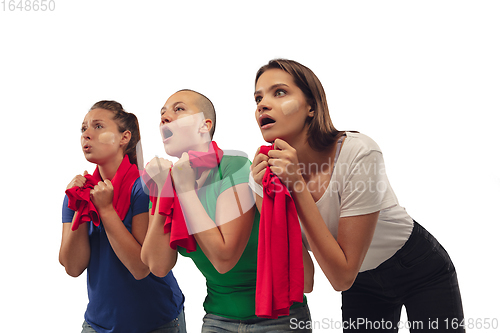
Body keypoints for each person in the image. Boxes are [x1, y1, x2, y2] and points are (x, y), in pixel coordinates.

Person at [249, 59, 465, 332]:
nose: (262, 104)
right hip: (361, 282)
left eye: (279, 92)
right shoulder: (263, 177)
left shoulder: (359, 152)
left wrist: (297, 186)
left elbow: (341, 277)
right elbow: (305, 280)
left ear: (311, 107)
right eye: (258, 97)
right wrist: (269, 199)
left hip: (418, 267)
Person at [140, 89, 314, 332]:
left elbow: (225, 259)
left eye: (178, 109)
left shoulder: (235, 167)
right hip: (217, 318)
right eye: (162, 114)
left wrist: (185, 189)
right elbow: (157, 266)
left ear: (204, 125)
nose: (165, 117)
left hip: (279, 316)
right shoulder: (166, 181)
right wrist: (163, 192)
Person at [59, 101, 186, 333]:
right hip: (98, 324)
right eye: (83, 128)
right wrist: (80, 205)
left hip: (156, 323)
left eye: (98, 127)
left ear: (124, 137)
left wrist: (105, 211)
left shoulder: (143, 187)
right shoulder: (76, 193)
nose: (86, 134)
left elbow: (140, 267)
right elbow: (73, 267)